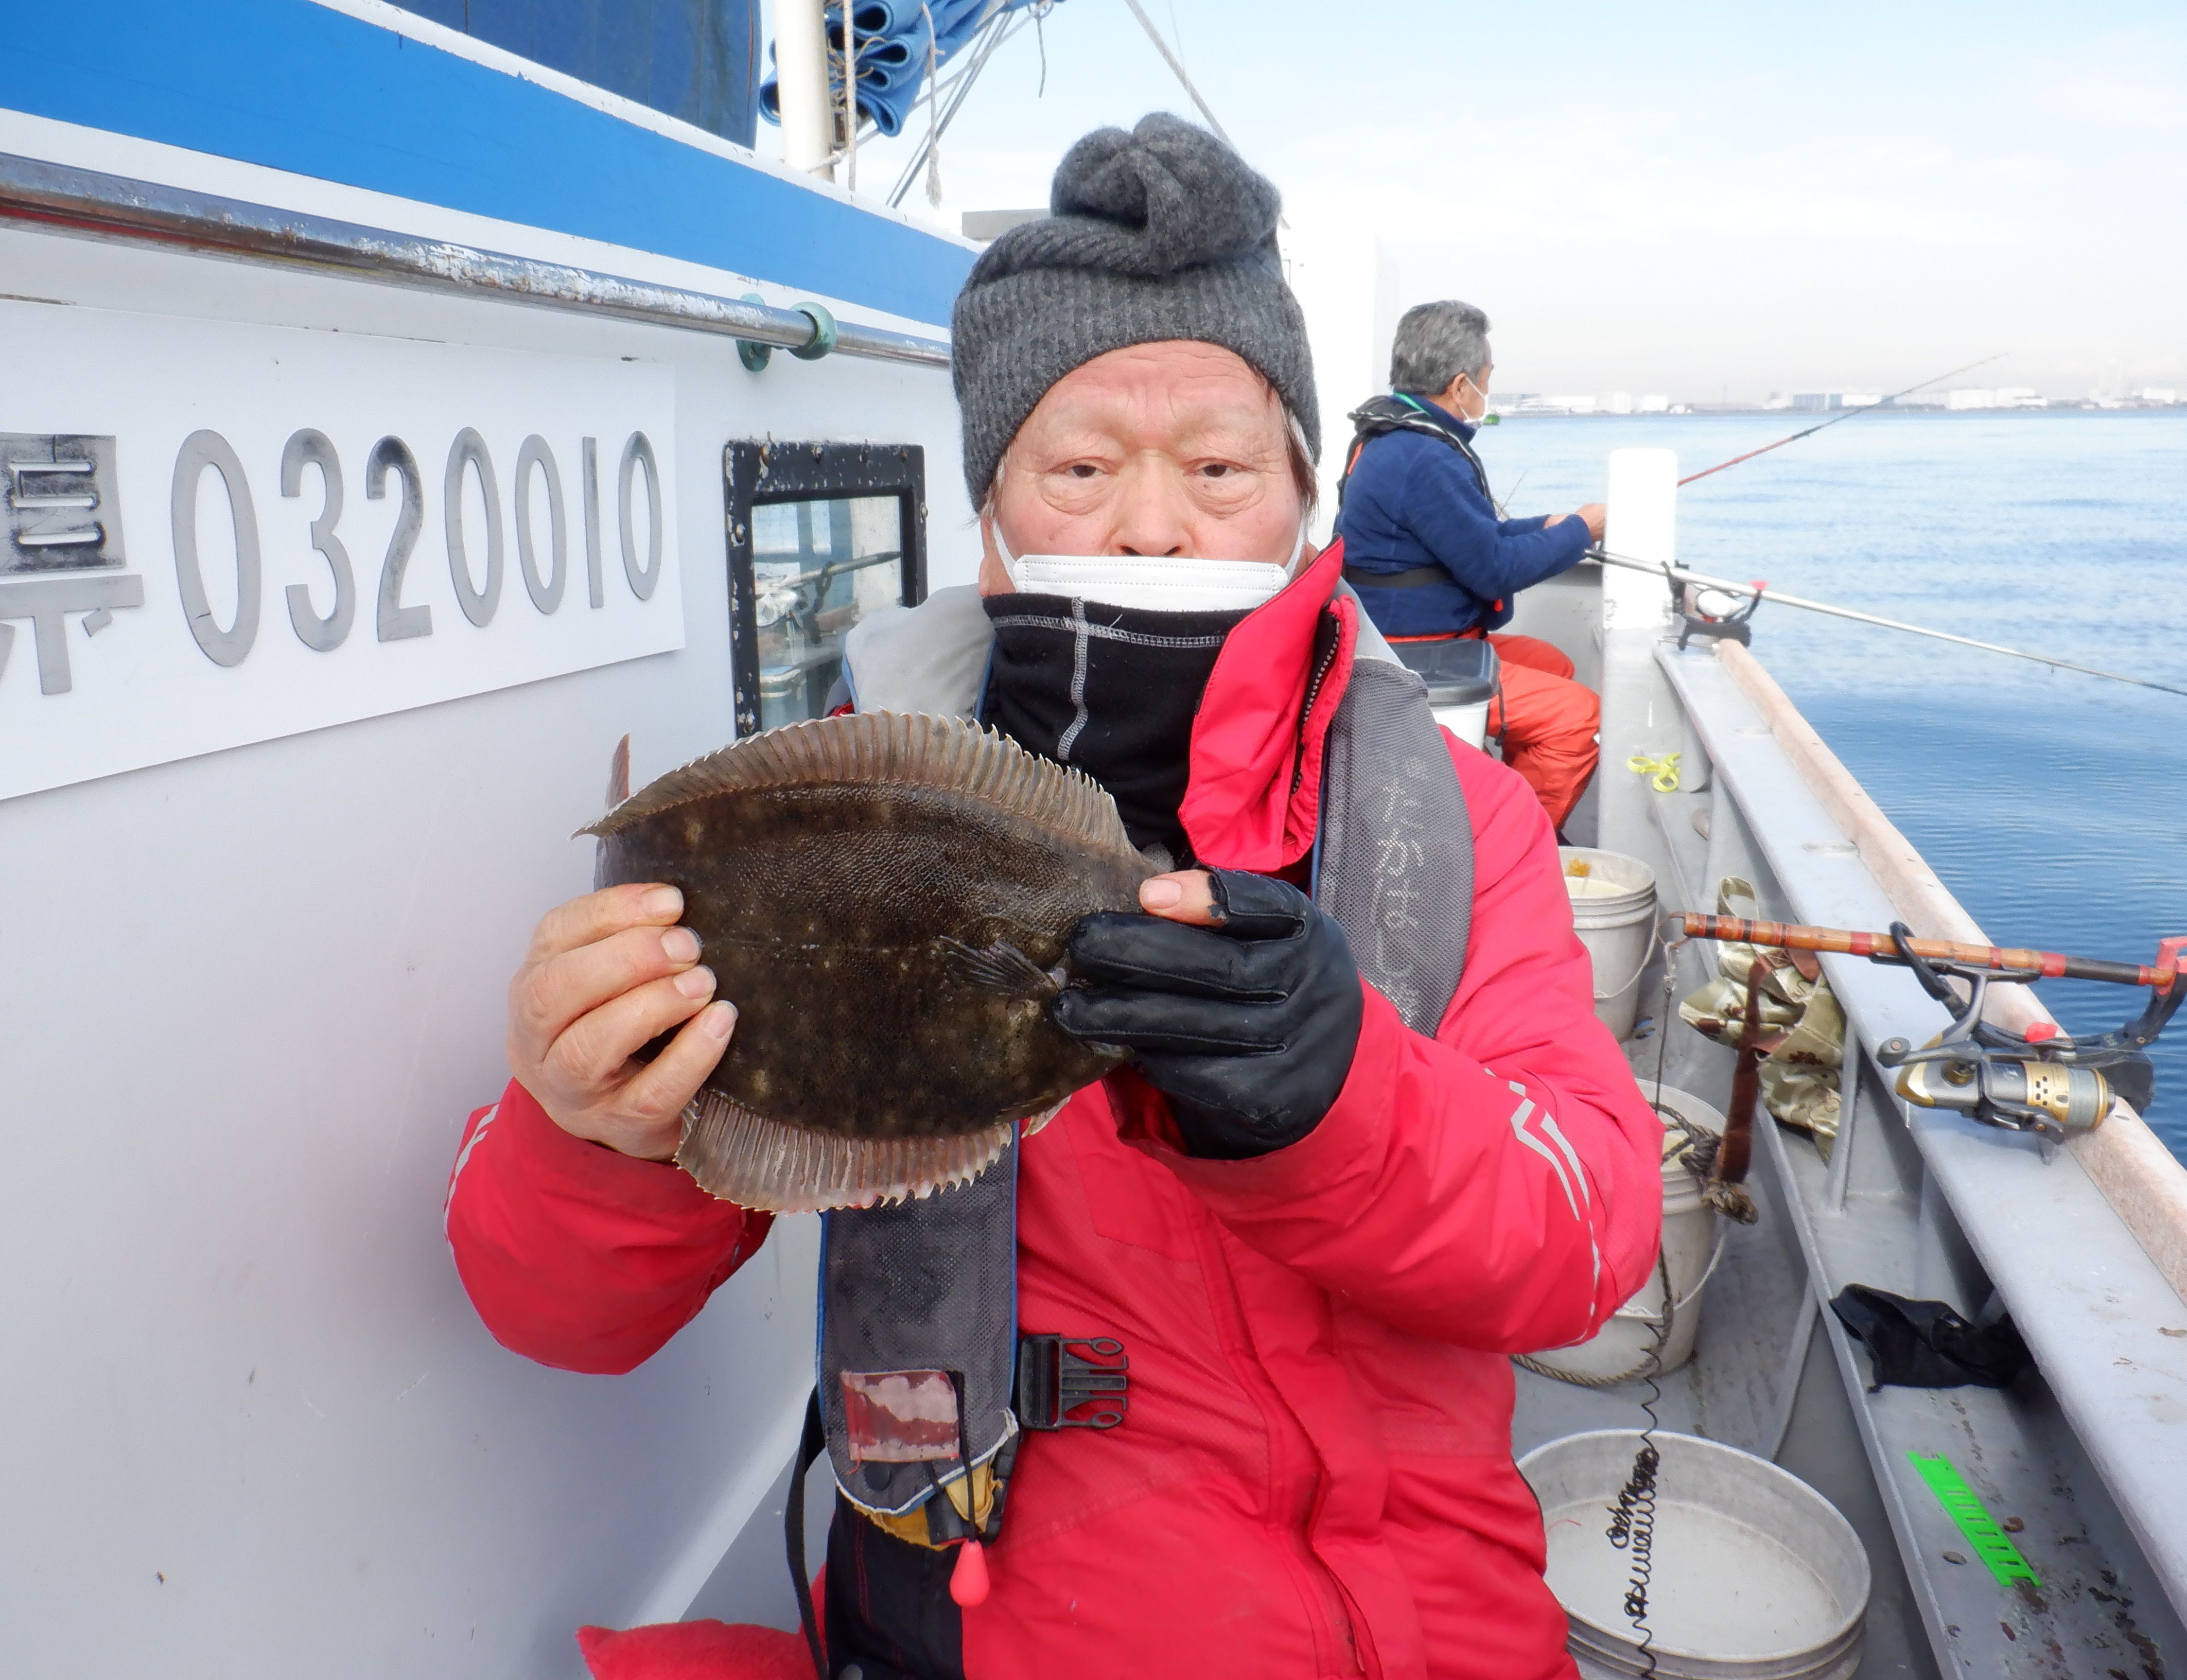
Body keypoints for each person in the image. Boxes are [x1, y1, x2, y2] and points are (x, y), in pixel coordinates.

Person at [446, 115, 1662, 1680]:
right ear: (994, 521)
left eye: (1219, 469)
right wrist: (593, 1128)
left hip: (1419, 1619)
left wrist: (1345, 1097)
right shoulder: (826, 818)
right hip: (984, 1611)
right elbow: (560, 1318)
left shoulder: (1453, 819)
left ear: (1301, 499)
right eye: (1081, 469)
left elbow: (1592, 1242)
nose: (1153, 524)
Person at [1334, 300, 1606, 832]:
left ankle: (1496, 799)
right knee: (1577, 718)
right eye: (1487, 377)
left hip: (1408, 636)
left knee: (1552, 664)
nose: (1487, 389)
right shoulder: (1424, 456)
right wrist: (1582, 530)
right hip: (1409, 654)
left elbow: (1472, 538)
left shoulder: (1397, 439)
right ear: (1461, 386)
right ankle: (1513, 849)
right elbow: (1494, 571)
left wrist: (1549, 525)